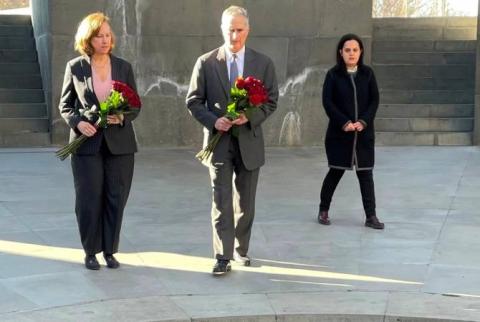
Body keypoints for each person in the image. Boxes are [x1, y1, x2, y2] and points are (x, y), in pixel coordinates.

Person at [186, 5, 278, 275]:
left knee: (245, 201)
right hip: (219, 143)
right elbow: (193, 101)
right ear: (222, 30)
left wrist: (248, 116)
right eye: (230, 30)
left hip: (249, 141)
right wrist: (214, 120)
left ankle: (240, 249)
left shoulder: (263, 63)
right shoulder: (206, 62)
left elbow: (271, 101)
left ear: (247, 31)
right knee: (221, 199)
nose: (234, 36)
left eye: (239, 30)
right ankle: (222, 255)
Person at [58, 12, 140, 270]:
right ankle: (90, 251)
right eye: (99, 36)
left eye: (107, 35)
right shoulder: (76, 67)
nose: (105, 40)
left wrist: (122, 117)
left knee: (116, 197)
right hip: (86, 144)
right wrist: (77, 122)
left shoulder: (124, 67)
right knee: (89, 198)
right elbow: (65, 104)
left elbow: (135, 105)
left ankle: (110, 251)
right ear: (88, 39)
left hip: (120, 145)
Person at [318, 33, 384, 230]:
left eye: (355, 50)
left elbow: (374, 100)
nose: (351, 53)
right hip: (340, 135)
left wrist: (363, 121)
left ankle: (371, 216)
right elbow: (327, 102)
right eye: (347, 50)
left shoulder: (368, 74)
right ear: (341, 52)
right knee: (335, 172)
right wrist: (344, 122)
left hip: (363, 135)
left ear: (360, 51)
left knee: (366, 175)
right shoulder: (333, 75)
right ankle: (323, 210)